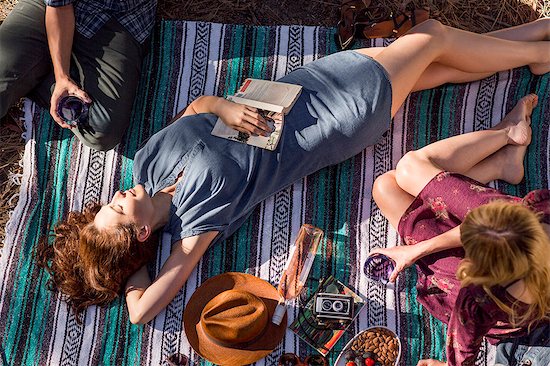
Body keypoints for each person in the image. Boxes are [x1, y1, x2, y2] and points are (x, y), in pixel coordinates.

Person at [36, 19, 550, 325]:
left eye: (107, 203)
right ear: (142, 233)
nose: (117, 194)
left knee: (429, 60)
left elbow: (195, 109)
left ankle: (533, 43)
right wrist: (129, 272)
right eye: (119, 208)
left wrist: (224, 108)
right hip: (337, 118)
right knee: (432, 38)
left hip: (302, 87)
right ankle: (539, 53)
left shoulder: (148, 164)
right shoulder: (197, 222)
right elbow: (140, 311)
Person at [370, 94, 550, 366]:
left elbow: (461, 355)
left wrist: (414, 252)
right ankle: (505, 155)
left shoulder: (479, 300)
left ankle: (505, 141)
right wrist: (414, 251)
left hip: (504, 294)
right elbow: (482, 226)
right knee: (405, 173)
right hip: (509, 235)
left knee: (388, 185)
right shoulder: (539, 214)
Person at [0, 0, 156, 151]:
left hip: (118, 17)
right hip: (49, 8)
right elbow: (59, 6)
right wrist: (62, 76)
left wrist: (61, 76)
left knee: (100, 129)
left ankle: (38, 69)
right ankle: (44, 65)